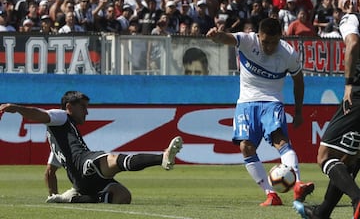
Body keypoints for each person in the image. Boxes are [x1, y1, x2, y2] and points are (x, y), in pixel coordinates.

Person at [0, 91, 183, 204]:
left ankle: (75, 198)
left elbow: (50, 172)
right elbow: (40, 114)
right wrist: (17, 109)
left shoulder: (60, 138)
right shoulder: (61, 116)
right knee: (112, 159)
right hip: (83, 164)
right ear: (69, 106)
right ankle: (162, 157)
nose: (86, 112)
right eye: (83, 107)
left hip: (81, 179)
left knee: (123, 196)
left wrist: (54, 196)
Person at [206, 18, 314, 206]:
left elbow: (299, 81)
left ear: (280, 37)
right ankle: (271, 195)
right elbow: (227, 38)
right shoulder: (248, 40)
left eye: (273, 42)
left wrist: (298, 111)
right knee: (246, 147)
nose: (269, 47)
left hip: (272, 101)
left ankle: (297, 184)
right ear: (258, 36)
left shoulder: (288, 53)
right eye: (265, 42)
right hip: (246, 103)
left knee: (280, 141)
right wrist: (216, 36)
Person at [293, 0, 360, 219]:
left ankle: (358, 199)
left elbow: (352, 44)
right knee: (350, 158)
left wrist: (349, 84)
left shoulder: (351, 19)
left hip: (358, 94)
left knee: (324, 155)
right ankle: (323, 212)